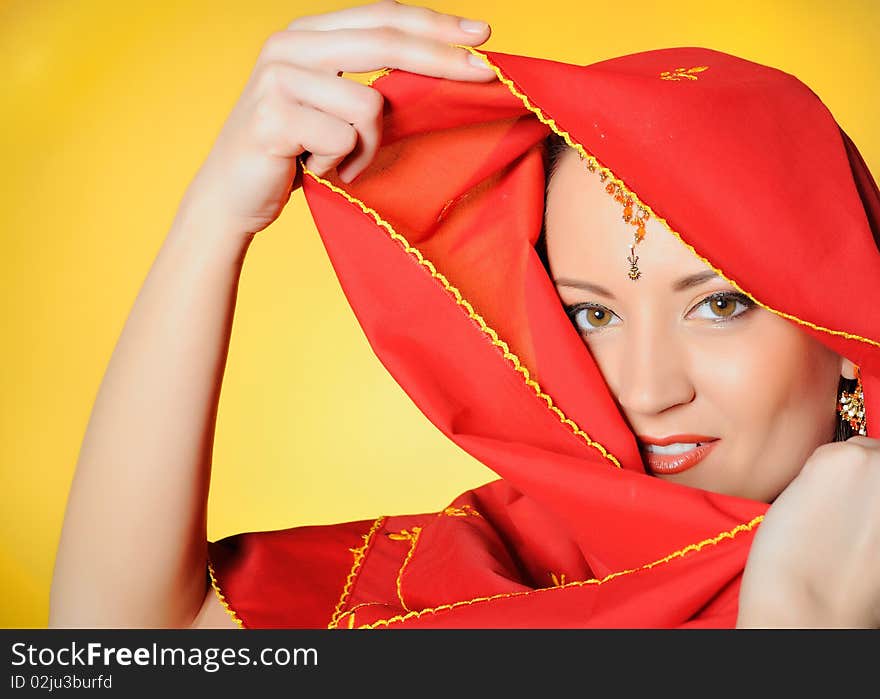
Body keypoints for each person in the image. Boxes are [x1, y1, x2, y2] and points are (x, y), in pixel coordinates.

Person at [48, 0, 879, 629]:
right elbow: (118, 652)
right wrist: (216, 218)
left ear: (841, 328)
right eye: (592, 314)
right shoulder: (499, 561)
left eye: (719, 303)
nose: (647, 388)